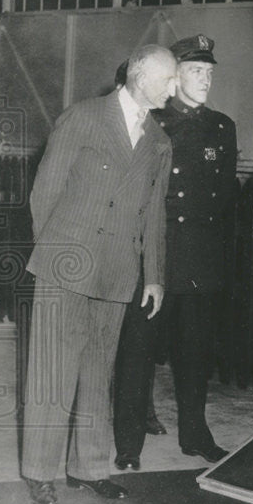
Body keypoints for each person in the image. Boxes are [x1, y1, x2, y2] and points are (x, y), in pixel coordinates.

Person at [20, 44, 175, 504]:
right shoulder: (84, 117)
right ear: (139, 74)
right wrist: (56, 254)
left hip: (117, 270)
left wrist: (154, 276)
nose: (174, 88)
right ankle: (39, 470)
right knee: (54, 369)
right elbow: (44, 192)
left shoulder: (160, 141)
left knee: (97, 372)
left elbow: (154, 215)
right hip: (67, 261)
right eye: (167, 79)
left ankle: (88, 469)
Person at [113, 35, 236, 469]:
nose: (205, 79)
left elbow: (224, 192)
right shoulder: (151, 120)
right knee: (138, 351)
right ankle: (128, 444)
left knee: (195, 352)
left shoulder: (222, 126)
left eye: (209, 72)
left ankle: (195, 434)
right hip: (154, 252)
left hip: (199, 255)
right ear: (174, 75)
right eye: (196, 71)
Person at [113, 57, 168, 438]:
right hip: (104, 250)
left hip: (142, 250)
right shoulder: (96, 124)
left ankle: (141, 411)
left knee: (138, 342)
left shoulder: (157, 136)